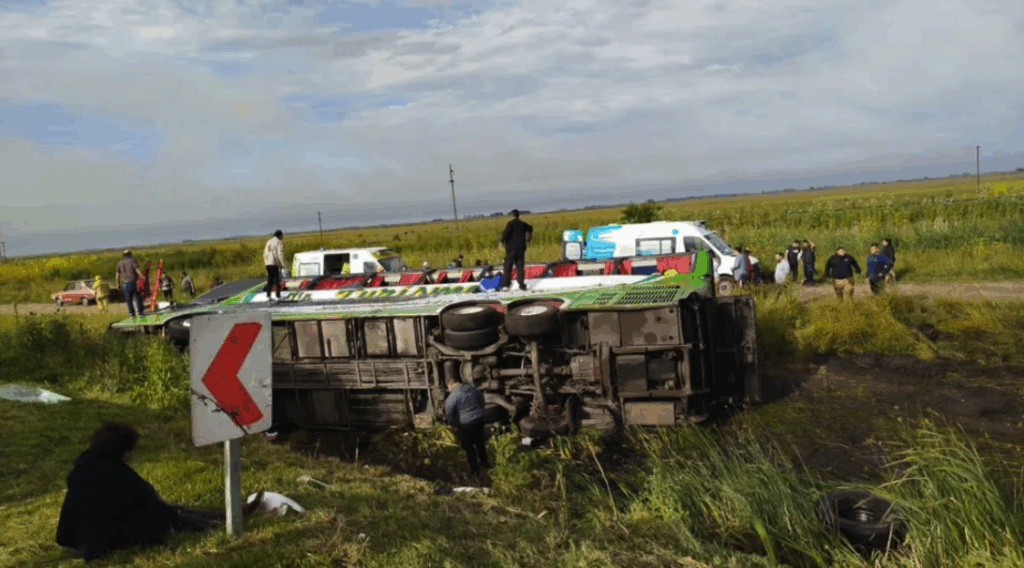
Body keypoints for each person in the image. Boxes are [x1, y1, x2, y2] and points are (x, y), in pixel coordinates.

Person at [56, 422, 264, 562]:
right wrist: (198, 522)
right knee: (172, 517)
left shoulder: (86, 463)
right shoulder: (113, 473)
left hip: (79, 537)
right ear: (121, 450)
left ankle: (231, 515)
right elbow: (150, 503)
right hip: (99, 542)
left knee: (173, 511)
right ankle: (227, 520)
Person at [444, 378, 489, 476]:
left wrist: (453, 425)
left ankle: (474, 469)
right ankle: (484, 462)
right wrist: (480, 411)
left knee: (468, 447)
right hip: (479, 419)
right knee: (480, 442)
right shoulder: (473, 388)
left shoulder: (453, 395)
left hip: (466, 423)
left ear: (450, 386)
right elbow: (482, 399)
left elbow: (449, 412)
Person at [499, 209, 533, 291]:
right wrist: (528, 236)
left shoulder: (510, 224)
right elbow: (530, 228)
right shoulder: (523, 224)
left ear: (512, 215)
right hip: (521, 248)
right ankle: (521, 284)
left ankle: (506, 285)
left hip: (511, 249)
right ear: (518, 215)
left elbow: (505, 234)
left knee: (508, 266)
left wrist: (501, 242)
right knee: (520, 267)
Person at [115, 250, 144, 317]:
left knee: (128, 299)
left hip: (125, 283)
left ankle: (131, 313)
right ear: (130, 254)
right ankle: (140, 312)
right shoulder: (132, 260)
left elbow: (117, 274)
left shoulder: (120, 263)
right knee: (137, 297)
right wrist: (142, 276)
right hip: (134, 282)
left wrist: (118, 284)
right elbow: (137, 269)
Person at [263, 230, 286, 300]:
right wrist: (283, 265)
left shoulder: (268, 241)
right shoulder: (279, 242)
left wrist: (266, 263)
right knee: (277, 280)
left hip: (268, 263)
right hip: (274, 263)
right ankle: (278, 296)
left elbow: (264, 253)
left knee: (269, 280)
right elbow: (280, 254)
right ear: (279, 235)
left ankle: (268, 296)